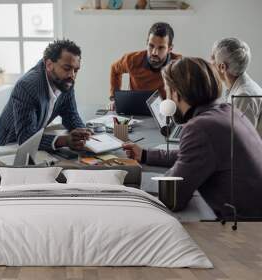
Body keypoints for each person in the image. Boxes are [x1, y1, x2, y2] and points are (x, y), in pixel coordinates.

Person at [123, 57, 262, 218]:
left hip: (247, 231)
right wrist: (145, 155)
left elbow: (173, 199)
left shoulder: (201, 128)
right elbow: (193, 156)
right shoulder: (227, 110)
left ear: (176, 93)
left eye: (167, 91)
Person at [0, 39, 91, 151]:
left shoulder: (66, 81)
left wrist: (82, 132)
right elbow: (26, 137)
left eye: (76, 70)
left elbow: (71, 115)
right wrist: (65, 140)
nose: (72, 75)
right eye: (67, 68)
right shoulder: (28, 86)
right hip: (6, 149)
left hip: (31, 147)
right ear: (49, 64)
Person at [109, 22, 181, 110]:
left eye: (161, 48)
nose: (154, 52)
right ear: (147, 43)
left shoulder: (178, 64)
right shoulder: (131, 60)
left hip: (164, 112)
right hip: (135, 110)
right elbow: (115, 69)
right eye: (151, 46)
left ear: (170, 48)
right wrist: (114, 98)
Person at [211, 37, 262, 137]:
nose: (210, 62)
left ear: (222, 67)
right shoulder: (242, 88)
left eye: (212, 57)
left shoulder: (243, 96)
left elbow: (241, 141)